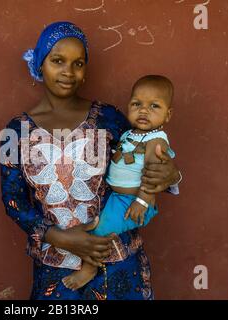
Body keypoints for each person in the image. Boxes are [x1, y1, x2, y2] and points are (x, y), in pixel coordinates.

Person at [0, 21, 181, 300]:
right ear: (39, 63)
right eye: (57, 60)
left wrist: (171, 174)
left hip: (120, 263)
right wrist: (59, 237)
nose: (68, 72)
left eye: (78, 63)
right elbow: (13, 200)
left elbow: (147, 157)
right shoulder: (13, 132)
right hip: (55, 272)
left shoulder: (111, 118)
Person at [62, 75, 176, 290]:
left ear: (167, 114)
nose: (143, 111)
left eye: (154, 106)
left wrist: (142, 202)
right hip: (118, 198)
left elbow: (153, 176)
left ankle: (89, 269)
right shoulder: (131, 134)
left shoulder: (156, 140)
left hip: (132, 201)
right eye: (136, 104)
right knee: (95, 223)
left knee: (99, 233)